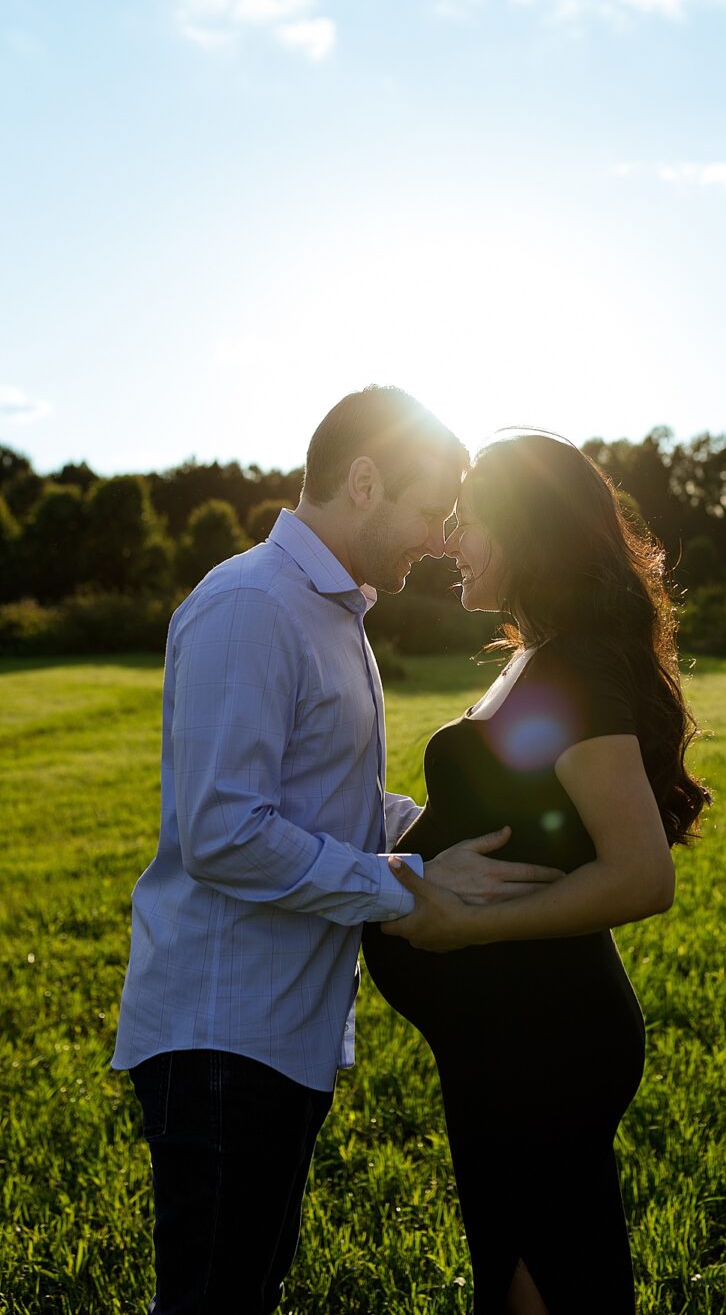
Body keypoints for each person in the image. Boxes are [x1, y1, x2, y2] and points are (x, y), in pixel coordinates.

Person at [111, 388, 563, 1315]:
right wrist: (412, 885)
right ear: (364, 479)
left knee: (244, 1288)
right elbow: (224, 832)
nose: (438, 540)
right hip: (222, 1038)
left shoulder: (331, 614)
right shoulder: (250, 606)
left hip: (280, 1039)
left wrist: (439, 828)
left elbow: (328, 801)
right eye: (430, 512)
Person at [362, 432, 710, 1315]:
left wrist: (464, 924)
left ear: (524, 533)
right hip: (505, 1041)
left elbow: (641, 875)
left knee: (551, 1284)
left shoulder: (575, 669)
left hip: (546, 1042)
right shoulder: (535, 656)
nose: (449, 539)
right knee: (522, 1276)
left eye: (467, 520)